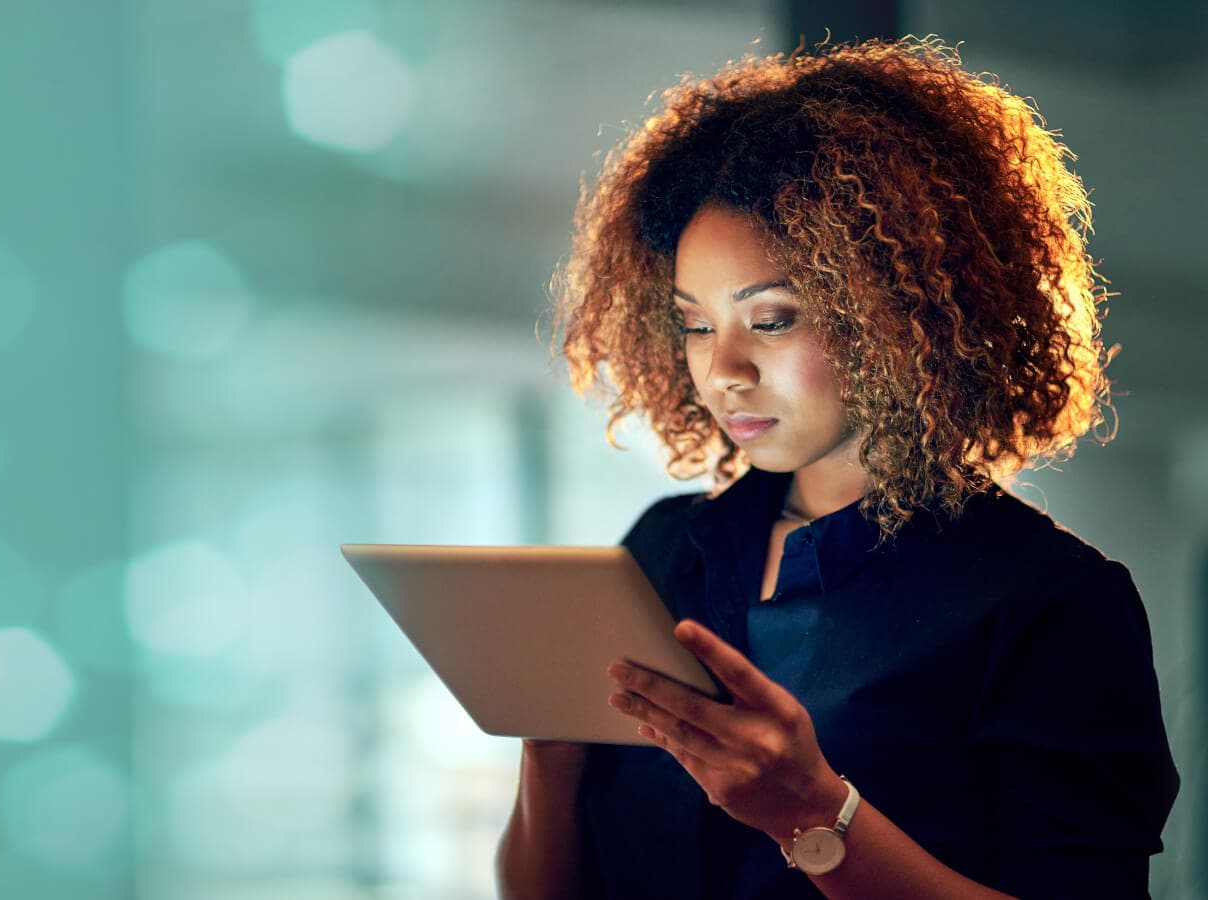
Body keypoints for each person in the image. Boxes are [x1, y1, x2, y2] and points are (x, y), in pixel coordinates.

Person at [495, 36, 1179, 899]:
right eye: (695, 323)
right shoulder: (665, 552)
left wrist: (813, 813)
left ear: (904, 315)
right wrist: (547, 757)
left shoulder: (1048, 602)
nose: (723, 370)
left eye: (772, 319)